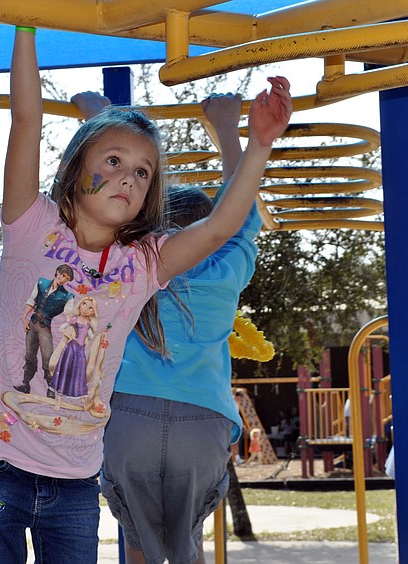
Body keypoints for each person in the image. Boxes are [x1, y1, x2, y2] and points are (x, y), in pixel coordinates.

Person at [0, 25, 292, 564]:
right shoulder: (31, 227)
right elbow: (26, 121)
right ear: (74, 171)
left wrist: (258, 144)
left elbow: (220, 228)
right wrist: (23, 23)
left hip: (73, 476)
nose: (127, 178)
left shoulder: (143, 265)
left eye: (142, 172)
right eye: (113, 161)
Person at [74, 90, 254, 563]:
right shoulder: (226, 269)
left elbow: (109, 213)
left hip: (128, 415)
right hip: (204, 420)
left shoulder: (131, 263)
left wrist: (100, 119)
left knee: (138, 543)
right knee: (185, 546)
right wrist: (228, 128)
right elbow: (242, 211)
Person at [14, 263, 75, 397]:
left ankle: (51, 388)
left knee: (48, 359)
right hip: (32, 323)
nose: (64, 279)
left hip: (44, 327)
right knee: (29, 356)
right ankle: (25, 384)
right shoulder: (41, 282)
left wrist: (71, 323)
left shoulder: (67, 296)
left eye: (67, 279)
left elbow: (68, 313)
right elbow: (32, 300)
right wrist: (24, 317)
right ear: (57, 272)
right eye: (63, 275)